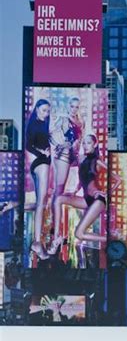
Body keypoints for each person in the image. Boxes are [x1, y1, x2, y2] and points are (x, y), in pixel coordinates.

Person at [51, 134, 118, 264]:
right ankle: (57, 237)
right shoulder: (82, 160)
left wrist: (107, 193)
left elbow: (118, 179)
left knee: (79, 234)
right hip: (86, 199)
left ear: (95, 144)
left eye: (88, 143)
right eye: (84, 143)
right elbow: (83, 181)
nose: (85, 146)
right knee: (59, 199)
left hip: (97, 201)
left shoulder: (97, 161)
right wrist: (74, 191)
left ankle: (109, 239)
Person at [48, 96, 84, 255]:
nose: (74, 109)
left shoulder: (80, 123)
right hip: (62, 157)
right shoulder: (63, 119)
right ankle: (55, 234)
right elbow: (50, 135)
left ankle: (56, 231)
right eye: (72, 106)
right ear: (68, 106)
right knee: (58, 191)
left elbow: (79, 142)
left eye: (77, 107)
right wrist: (59, 146)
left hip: (71, 158)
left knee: (61, 193)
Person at [25, 98, 52, 262]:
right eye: (43, 110)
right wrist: (43, 153)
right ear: (36, 110)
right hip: (41, 163)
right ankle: (36, 242)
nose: (46, 113)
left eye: (48, 111)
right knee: (41, 203)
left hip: (43, 163)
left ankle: (37, 242)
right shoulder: (34, 124)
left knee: (41, 203)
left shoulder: (43, 123)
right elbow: (29, 145)